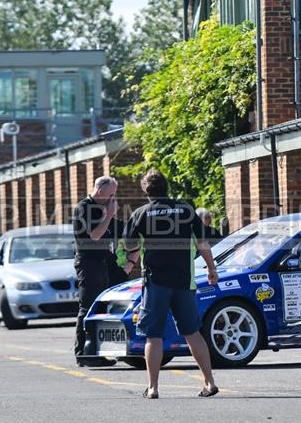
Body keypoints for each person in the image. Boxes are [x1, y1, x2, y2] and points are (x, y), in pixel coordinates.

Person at [123, 169, 219, 399]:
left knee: (153, 335)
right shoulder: (186, 209)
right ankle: (209, 382)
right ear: (167, 187)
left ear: (146, 190)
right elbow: (202, 242)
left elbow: (129, 246)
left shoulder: (140, 213)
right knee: (192, 332)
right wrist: (212, 269)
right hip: (183, 281)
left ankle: (153, 387)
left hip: (156, 281)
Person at [72, 176, 125, 366]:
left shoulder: (103, 210)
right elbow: (94, 236)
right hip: (89, 263)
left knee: (106, 306)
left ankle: (100, 350)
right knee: (88, 306)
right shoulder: (84, 208)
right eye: (111, 194)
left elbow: (121, 229)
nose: (112, 199)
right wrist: (109, 215)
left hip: (104, 262)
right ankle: (84, 353)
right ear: (100, 190)